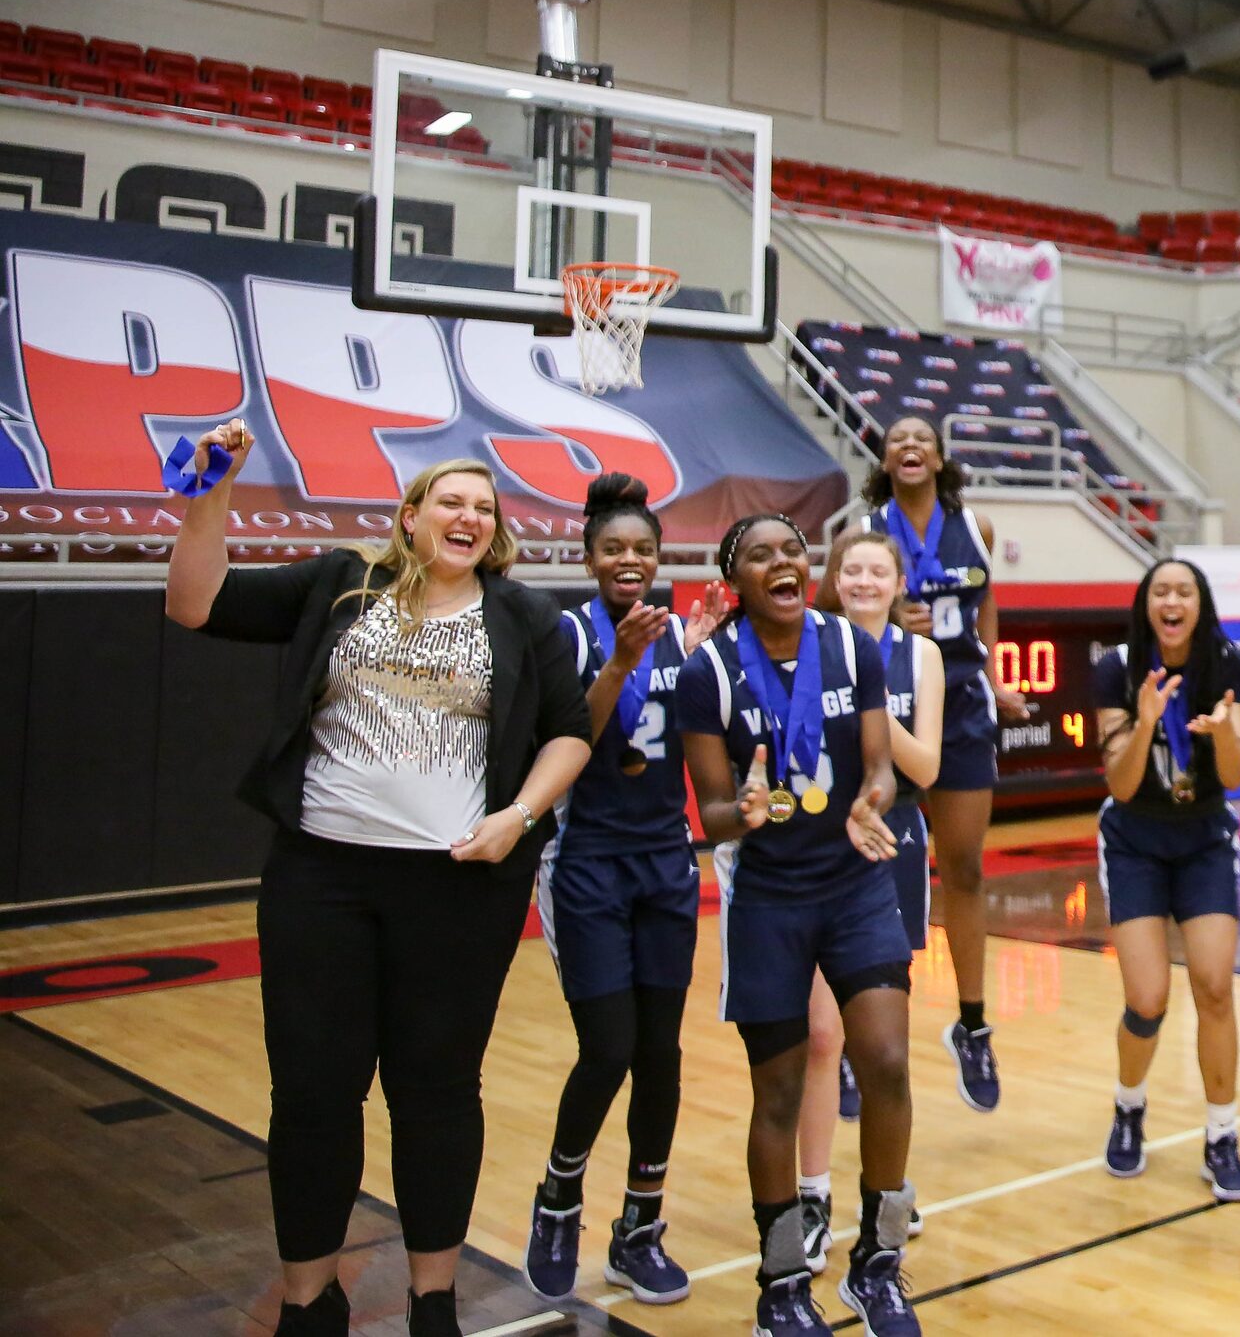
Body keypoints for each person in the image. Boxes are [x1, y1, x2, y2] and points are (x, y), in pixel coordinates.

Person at [164, 433, 591, 1337]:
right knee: (314, 1094)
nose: (469, 515)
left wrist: (517, 815)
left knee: (437, 1093)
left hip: (459, 891)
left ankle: (432, 1300)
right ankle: (309, 1300)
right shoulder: (337, 584)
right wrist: (214, 494)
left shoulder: (524, 617)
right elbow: (197, 603)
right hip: (321, 878)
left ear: (495, 532)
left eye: (484, 507)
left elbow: (571, 731)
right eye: (451, 500)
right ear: (409, 516)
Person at [674, 514, 919, 1337]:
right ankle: (780, 1284)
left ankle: (878, 1266)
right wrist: (738, 813)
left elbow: (880, 763)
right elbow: (710, 810)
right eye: (759, 554)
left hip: (854, 888)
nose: (782, 562)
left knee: (884, 1061)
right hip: (770, 900)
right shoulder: (707, 670)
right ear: (734, 576)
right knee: (777, 1095)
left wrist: (871, 797)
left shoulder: (853, 647)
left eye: (791, 549)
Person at [526, 474, 718, 1307]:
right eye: (614, 549)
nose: (629, 561)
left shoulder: (688, 635)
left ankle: (640, 1228)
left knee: (661, 1055)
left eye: (643, 549)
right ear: (590, 557)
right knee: (607, 1046)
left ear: (658, 557)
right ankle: (559, 1197)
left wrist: (707, 659)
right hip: (587, 864)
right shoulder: (566, 633)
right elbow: (573, 738)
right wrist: (622, 663)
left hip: (666, 864)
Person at [855, 417, 1027, 1114]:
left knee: (966, 867)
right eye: (896, 438)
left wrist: (992, 671)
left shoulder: (975, 524)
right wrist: (892, 613)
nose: (910, 446)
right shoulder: (868, 528)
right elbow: (840, 610)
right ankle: (851, 1031)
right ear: (886, 460)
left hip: (959, 704)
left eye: (921, 436)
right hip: (889, 698)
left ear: (939, 455)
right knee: (872, 867)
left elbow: (987, 602)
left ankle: (973, 1023)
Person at [793, 527, 946, 1274]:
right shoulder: (807, 642)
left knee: (883, 1044)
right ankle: (812, 1192)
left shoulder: (921, 656)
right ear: (835, 578)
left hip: (895, 843)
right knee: (823, 1036)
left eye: (875, 570)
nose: (861, 580)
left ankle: (885, 1185)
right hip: (821, 843)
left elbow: (926, 764)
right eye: (849, 569)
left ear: (897, 582)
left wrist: (871, 705)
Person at [1093, 557, 1240, 1201]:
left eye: (1183, 591)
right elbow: (1122, 783)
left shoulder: (1227, 666)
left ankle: (1222, 1135)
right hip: (1135, 839)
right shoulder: (1116, 669)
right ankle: (1128, 1105)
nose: (1171, 601)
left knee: (1216, 987)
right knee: (1148, 998)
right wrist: (1141, 722)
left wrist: (1220, 736)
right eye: (1160, 590)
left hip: (1205, 839)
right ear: (1146, 604)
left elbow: (1239, 773)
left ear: (1200, 603)